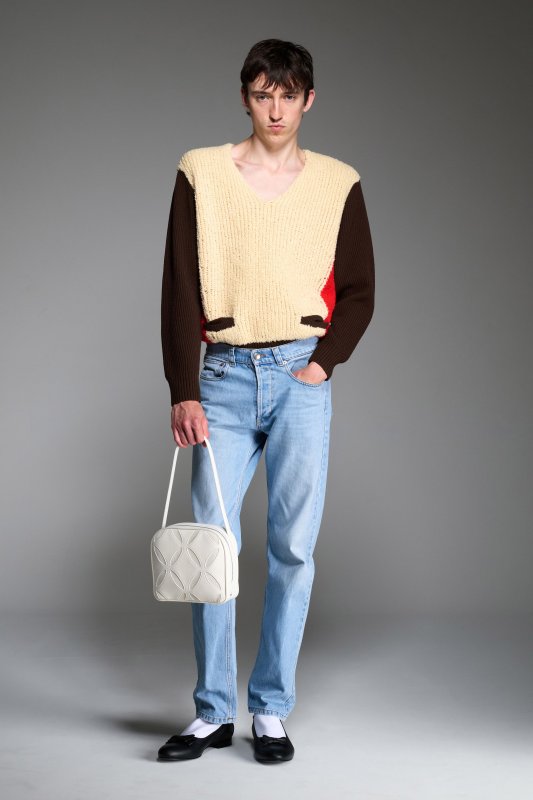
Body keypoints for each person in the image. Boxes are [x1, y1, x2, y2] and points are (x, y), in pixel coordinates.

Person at [157, 38, 375, 764]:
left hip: (299, 378)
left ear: (308, 100)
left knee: (292, 549)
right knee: (213, 545)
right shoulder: (201, 171)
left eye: (287, 95)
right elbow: (179, 287)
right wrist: (184, 388)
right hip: (220, 377)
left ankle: (271, 709)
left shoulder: (338, 182)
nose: (275, 109)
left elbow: (360, 290)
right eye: (261, 94)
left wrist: (320, 366)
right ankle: (212, 712)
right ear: (245, 98)